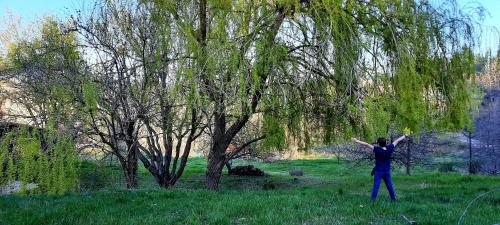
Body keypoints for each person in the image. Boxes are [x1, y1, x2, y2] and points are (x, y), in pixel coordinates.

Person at [351, 135, 407, 201]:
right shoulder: (389, 148)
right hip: (387, 171)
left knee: (376, 186)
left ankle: (372, 200)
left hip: (379, 171)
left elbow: (366, 144)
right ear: (386, 143)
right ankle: (393, 199)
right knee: (389, 185)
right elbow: (398, 140)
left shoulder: (377, 149)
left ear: (378, 144)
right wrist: (405, 135)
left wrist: (356, 141)